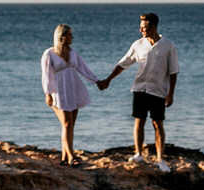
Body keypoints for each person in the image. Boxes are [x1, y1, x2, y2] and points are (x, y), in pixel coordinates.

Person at [95, 12, 178, 170]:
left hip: (158, 90)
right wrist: (108, 79)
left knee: (158, 124)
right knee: (139, 121)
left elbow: (173, 71)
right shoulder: (138, 44)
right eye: (140, 27)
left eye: (144, 28)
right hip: (140, 89)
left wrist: (171, 93)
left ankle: (160, 159)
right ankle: (138, 154)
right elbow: (123, 64)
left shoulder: (168, 46)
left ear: (153, 27)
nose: (141, 30)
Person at [40, 23, 98, 165]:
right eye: (70, 34)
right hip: (58, 91)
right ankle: (72, 157)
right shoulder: (49, 54)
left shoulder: (73, 53)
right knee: (66, 123)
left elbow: (84, 69)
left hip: (74, 89)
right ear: (62, 36)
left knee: (70, 125)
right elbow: (46, 75)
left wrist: (96, 81)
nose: (72, 37)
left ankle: (65, 158)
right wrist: (48, 93)